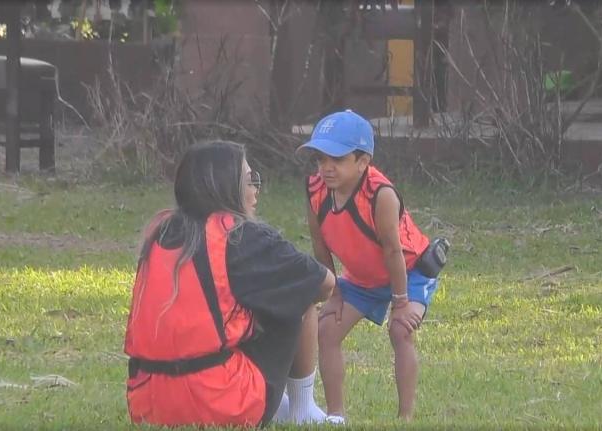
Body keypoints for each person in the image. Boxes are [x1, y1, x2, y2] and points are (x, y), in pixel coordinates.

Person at [124, 140, 335, 427]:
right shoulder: (241, 235)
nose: (255, 188)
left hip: (149, 402)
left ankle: (274, 396)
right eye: (250, 180)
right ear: (228, 188)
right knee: (300, 293)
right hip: (219, 402)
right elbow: (323, 282)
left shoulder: (158, 233)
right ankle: (303, 409)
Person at [298, 110, 447, 424]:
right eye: (320, 159)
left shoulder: (381, 195)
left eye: (336, 159)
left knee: (400, 330)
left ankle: (405, 417)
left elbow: (393, 251)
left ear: (363, 161)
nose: (326, 168)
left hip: (410, 272)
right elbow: (320, 244)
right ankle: (336, 415)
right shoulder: (314, 191)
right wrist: (335, 293)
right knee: (326, 329)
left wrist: (401, 302)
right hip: (363, 278)